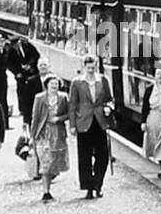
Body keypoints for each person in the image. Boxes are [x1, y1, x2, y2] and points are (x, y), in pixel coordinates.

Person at [68, 54, 114, 199]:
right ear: (84, 67)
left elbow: (110, 99)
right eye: (88, 67)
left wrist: (108, 108)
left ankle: (98, 183)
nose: (91, 70)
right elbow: (72, 104)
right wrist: (72, 125)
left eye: (93, 67)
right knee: (85, 156)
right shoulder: (77, 83)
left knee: (103, 156)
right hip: (84, 122)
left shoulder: (103, 81)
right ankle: (89, 187)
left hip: (100, 122)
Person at [31, 74, 70, 202]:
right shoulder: (39, 98)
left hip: (58, 134)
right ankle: (46, 192)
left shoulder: (63, 97)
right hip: (43, 134)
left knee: (56, 163)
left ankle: (49, 178)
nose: (54, 86)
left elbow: (69, 113)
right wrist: (33, 137)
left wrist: (59, 119)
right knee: (45, 163)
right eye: (52, 84)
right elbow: (35, 118)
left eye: (56, 84)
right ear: (46, 85)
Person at [7, 35, 41, 123]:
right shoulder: (11, 51)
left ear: (19, 43)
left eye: (16, 45)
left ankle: (34, 108)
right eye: (13, 46)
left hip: (31, 73)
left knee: (33, 91)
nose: (14, 47)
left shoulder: (27, 46)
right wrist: (16, 72)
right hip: (21, 75)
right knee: (21, 91)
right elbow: (9, 64)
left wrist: (30, 65)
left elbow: (36, 55)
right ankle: (23, 109)